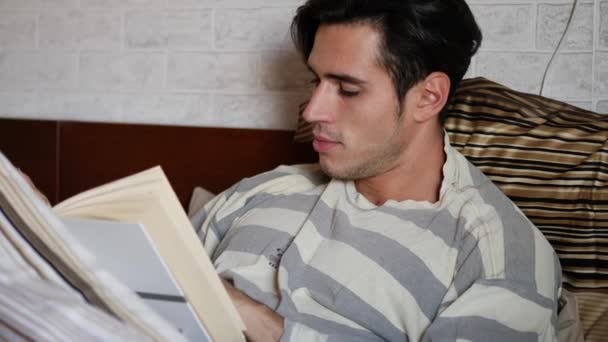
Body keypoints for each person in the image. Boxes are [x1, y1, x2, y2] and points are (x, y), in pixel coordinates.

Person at [190, 0, 562, 341]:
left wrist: (254, 321)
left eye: (348, 89)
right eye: (316, 81)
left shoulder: (497, 259)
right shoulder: (264, 190)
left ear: (428, 97)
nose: (311, 111)